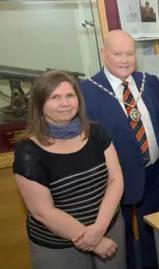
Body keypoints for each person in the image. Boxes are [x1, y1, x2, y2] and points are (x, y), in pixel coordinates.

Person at [13, 70, 125, 269]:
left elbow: (116, 179)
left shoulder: (96, 132)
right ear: (39, 104)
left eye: (70, 95)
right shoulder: (28, 151)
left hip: (109, 228)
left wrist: (99, 229)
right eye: (54, 97)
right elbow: (44, 212)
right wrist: (94, 240)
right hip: (59, 246)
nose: (65, 103)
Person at [79, 30, 159, 269]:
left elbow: (158, 126)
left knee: (154, 234)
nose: (124, 59)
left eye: (129, 53)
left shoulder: (148, 82)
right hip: (115, 181)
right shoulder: (86, 91)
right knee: (123, 239)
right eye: (117, 53)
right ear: (103, 54)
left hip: (154, 174)